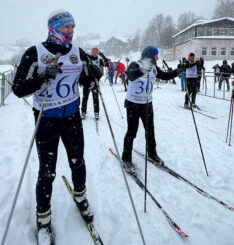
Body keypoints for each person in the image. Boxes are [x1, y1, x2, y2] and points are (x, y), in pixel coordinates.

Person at [11, 11, 102, 242]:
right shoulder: (35, 53)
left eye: (73, 27)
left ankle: (81, 198)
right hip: (46, 119)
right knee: (47, 171)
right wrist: (43, 76)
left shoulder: (77, 52)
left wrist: (94, 75)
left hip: (71, 118)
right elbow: (18, 88)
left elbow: (85, 79)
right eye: (66, 28)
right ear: (53, 28)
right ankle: (43, 219)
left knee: (78, 161)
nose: (71, 31)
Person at [121, 46, 180, 175]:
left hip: (147, 104)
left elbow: (165, 76)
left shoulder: (154, 68)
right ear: (150, 55)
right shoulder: (134, 64)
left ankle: (152, 154)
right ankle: (126, 158)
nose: (158, 58)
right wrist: (142, 70)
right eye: (156, 55)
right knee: (132, 131)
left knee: (150, 131)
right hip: (133, 104)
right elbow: (130, 76)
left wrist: (177, 71)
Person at [81, 46, 107, 119]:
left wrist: (102, 54)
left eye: (96, 51)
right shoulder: (88, 58)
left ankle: (96, 112)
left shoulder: (99, 59)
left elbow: (106, 64)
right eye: (93, 51)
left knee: (95, 98)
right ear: (91, 52)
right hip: (87, 81)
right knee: (85, 97)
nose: (95, 53)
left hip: (95, 82)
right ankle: (83, 112)